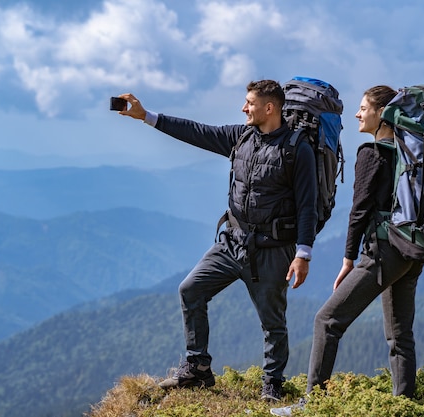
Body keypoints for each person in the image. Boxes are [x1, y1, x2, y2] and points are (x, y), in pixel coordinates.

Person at [117, 80, 318, 402]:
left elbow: (309, 204)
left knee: (272, 322)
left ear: (269, 107)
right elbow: (196, 131)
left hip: (272, 248)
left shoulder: (297, 149)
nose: (243, 108)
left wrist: (303, 253)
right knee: (190, 289)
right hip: (232, 242)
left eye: (249, 102)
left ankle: (272, 384)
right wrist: (146, 116)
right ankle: (197, 368)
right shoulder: (240, 138)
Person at [271, 85, 424, 416]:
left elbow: (359, 211)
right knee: (400, 337)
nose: (357, 114)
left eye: (363, 108)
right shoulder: (409, 154)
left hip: (383, 251)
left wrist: (348, 260)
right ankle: (405, 407)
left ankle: (313, 406)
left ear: (381, 114)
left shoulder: (371, 154)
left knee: (326, 321)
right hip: (411, 252)